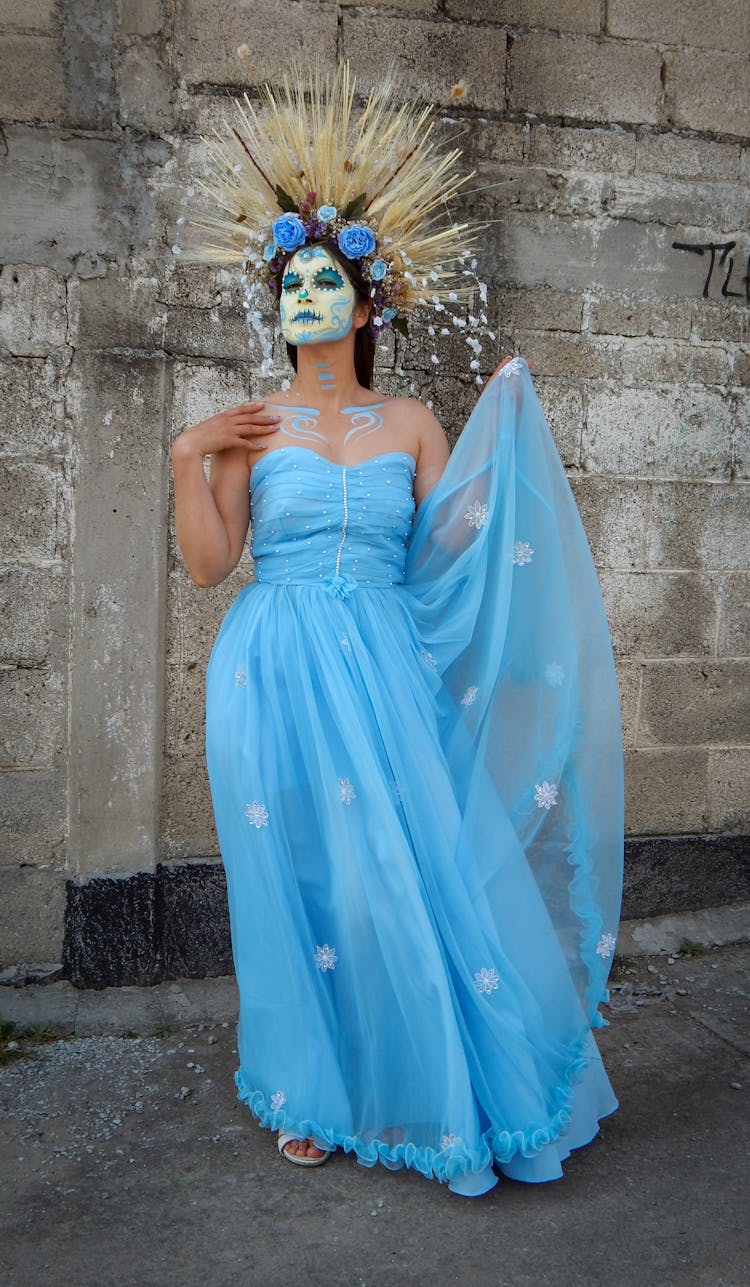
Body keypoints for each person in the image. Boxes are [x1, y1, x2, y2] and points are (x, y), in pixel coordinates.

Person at [171, 64, 624, 1197]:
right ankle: (314, 1090)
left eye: (327, 284)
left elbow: (454, 550)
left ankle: (421, 1077)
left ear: (369, 305)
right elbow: (210, 564)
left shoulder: (414, 420)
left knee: (389, 882)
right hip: (267, 664)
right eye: (291, 284)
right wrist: (190, 455)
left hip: (378, 667)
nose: (305, 301)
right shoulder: (246, 423)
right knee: (295, 883)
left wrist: (503, 446)